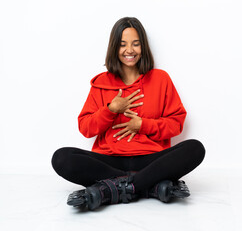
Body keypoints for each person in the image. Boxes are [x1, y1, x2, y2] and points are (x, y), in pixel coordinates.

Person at [51, 17, 205, 210]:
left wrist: (142, 125)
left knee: (195, 148)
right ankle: (149, 187)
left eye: (136, 44)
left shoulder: (161, 79)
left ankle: (110, 189)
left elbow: (176, 123)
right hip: (110, 159)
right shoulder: (101, 84)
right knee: (61, 158)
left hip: (150, 159)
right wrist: (110, 110)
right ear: (114, 48)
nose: (129, 50)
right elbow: (86, 128)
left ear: (143, 47)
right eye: (123, 44)